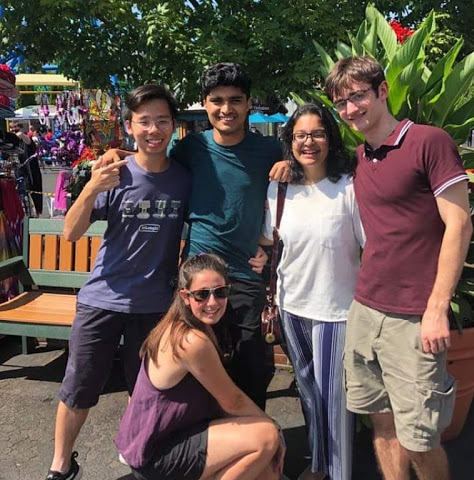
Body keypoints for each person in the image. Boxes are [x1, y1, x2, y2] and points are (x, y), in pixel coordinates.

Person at [103, 63, 289, 409]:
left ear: (249, 103)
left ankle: (254, 447)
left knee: (252, 366)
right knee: (197, 366)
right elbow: (155, 164)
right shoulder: (192, 149)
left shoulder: (269, 151)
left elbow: (297, 201)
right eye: (216, 100)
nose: (226, 109)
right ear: (204, 104)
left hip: (247, 276)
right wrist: (121, 155)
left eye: (235, 100)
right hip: (198, 276)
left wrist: (291, 167)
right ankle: (206, 447)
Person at [324, 56, 472, 480]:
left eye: (358, 96)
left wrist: (437, 307)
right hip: (366, 308)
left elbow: (458, 223)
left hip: (414, 316)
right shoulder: (359, 156)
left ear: (382, 91)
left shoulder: (429, 141)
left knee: (419, 439)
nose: (351, 109)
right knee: (381, 421)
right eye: (342, 103)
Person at [45, 84, 192, 480]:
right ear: (130, 126)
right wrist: (93, 185)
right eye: (144, 121)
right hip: (101, 299)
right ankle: (61, 466)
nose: (153, 129)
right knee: (78, 387)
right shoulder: (114, 174)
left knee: (146, 392)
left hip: (155, 306)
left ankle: (142, 458)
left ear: (174, 127)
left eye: (162, 121)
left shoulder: (183, 179)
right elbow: (71, 234)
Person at [260, 103, 364, 480]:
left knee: (335, 404)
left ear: (330, 138)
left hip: (336, 311)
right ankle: (320, 466)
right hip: (291, 307)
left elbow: (372, 244)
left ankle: (339, 473)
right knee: (308, 397)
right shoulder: (280, 188)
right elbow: (268, 239)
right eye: (300, 135)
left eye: (317, 133)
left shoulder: (349, 186)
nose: (309, 142)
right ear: (290, 141)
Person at [116, 253, 285, 480]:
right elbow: (232, 401)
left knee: (266, 471)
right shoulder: (191, 340)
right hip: (156, 452)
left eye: (220, 292)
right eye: (202, 295)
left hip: (173, 433)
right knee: (266, 437)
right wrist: (275, 429)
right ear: (185, 296)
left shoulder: (197, 325)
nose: (212, 302)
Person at [11, 122, 43, 216]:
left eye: (16, 130)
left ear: (21, 129)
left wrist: (20, 135)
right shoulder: (12, 142)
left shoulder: (26, 139)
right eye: (12, 130)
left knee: (33, 197)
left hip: (30, 174)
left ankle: (34, 217)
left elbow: (29, 142)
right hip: (18, 173)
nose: (14, 132)